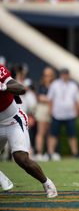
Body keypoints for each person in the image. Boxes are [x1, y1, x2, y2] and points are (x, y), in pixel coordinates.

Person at [0, 64, 57, 197]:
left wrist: (3, 87)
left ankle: (47, 183)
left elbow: (21, 89)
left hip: (13, 120)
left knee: (21, 158)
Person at [47, 68, 79, 160]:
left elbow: (76, 101)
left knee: (72, 135)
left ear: (68, 75)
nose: (65, 76)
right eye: (63, 74)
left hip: (70, 114)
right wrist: (50, 110)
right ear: (61, 75)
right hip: (57, 114)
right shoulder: (55, 84)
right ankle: (50, 152)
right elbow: (50, 99)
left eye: (66, 74)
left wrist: (77, 111)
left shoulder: (73, 85)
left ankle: (75, 153)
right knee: (53, 134)